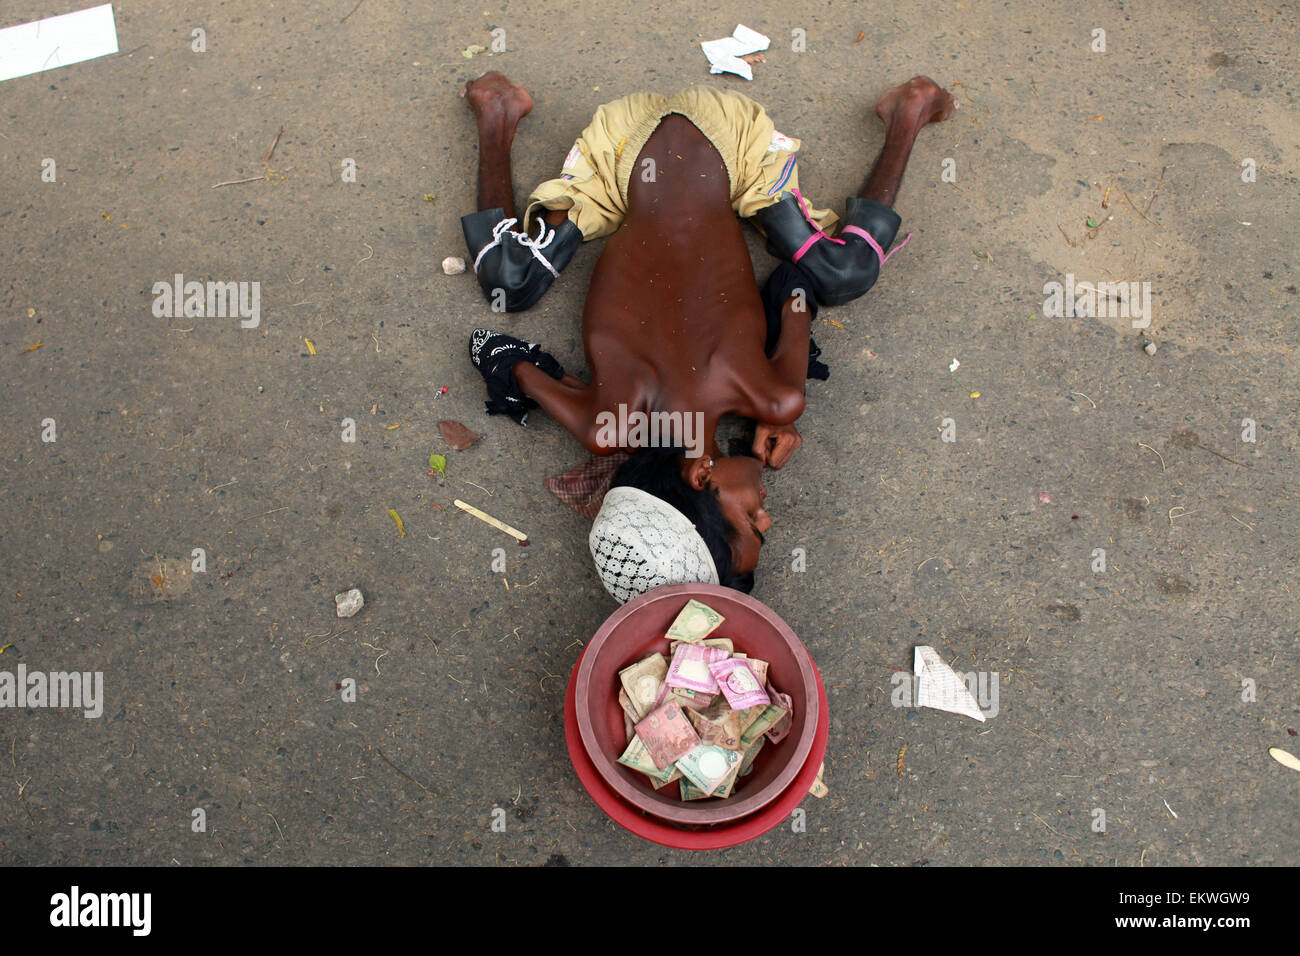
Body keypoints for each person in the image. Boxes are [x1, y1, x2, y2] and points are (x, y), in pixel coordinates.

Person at [459, 72, 956, 602]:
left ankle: (908, 114)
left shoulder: (771, 394)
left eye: (753, 521)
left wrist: (777, 403)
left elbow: (798, 288)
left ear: (700, 476)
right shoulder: (606, 426)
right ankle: (498, 110)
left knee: (846, 273)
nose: (768, 511)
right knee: (507, 281)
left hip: (677, 147)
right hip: (655, 149)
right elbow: (496, 352)